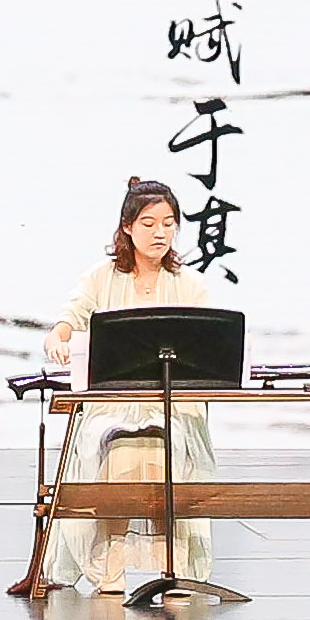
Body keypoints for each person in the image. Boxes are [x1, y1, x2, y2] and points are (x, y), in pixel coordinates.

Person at [37, 179, 230, 598]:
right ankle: (111, 566)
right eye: (149, 223)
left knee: (165, 450)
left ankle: (174, 567)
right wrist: (59, 337)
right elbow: (69, 318)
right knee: (121, 450)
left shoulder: (189, 284)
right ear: (127, 227)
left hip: (170, 405)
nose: (161, 232)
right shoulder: (100, 278)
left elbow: (208, 347)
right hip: (114, 405)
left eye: (169, 223)